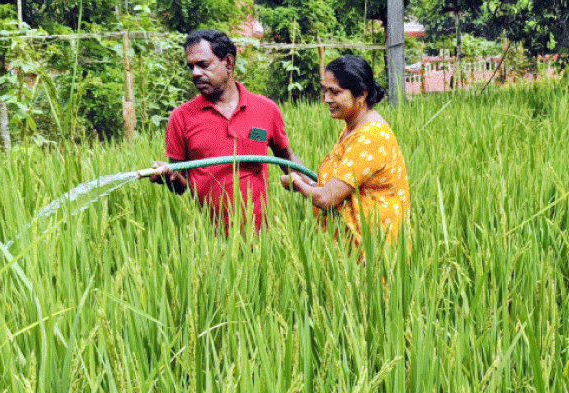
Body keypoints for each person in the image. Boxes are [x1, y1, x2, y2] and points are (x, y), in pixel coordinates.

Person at [148, 29, 303, 232]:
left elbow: (286, 157)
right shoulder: (181, 117)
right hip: (209, 241)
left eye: (203, 65)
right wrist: (170, 178)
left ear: (228, 62)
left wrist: (319, 191)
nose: (195, 73)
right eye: (191, 66)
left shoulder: (266, 109)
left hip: (261, 238)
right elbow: (181, 186)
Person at [280, 55, 410, 246]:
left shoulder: (371, 135)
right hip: (352, 246)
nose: (326, 99)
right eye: (325, 91)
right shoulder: (352, 128)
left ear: (362, 94)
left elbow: (327, 198)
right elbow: (337, 186)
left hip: (375, 249)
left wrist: (297, 184)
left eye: (335, 92)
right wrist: (306, 183)